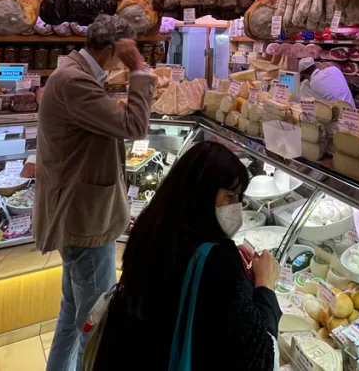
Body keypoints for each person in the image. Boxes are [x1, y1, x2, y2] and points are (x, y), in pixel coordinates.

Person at [34, 14, 156, 371]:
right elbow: (135, 127)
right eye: (123, 52)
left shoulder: (76, 73)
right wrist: (138, 68)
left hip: (79, 211)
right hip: (85, 219)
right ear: (112, 48)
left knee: (73, 311)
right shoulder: (74, 81)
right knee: (96, 322)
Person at [94, 141, 282, 370]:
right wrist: (265, 286)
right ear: (204, 194)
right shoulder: (216, 261)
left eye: (240, 198)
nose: (237, 208)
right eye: (230, 197)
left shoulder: (152, 227)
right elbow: (260, 360)